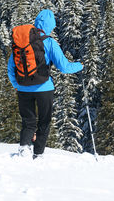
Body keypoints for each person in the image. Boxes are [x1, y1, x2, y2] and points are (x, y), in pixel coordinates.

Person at [7, 9, 83, 159]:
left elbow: (11, 68)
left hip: (23, 88)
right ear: (50, 26)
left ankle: (23, 149)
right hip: (44, 88)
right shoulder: (49, 42)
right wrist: (80, 66)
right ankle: (38, 155)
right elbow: (64, 67)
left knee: (28, 121)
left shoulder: (22, 42)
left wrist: (16, 84)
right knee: (44, 121)